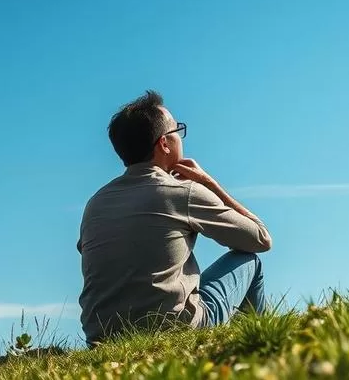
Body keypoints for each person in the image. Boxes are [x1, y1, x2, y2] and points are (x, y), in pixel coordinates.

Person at [77, 90, 273, 346]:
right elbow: (260, 238)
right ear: (164, 143)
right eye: (178, 131)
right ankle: (257, 349)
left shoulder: (96, 202)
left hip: (101, 337)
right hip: (172, 329)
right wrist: (210, 184)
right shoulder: (181, 192)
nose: (182, 138)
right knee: (249, 261)